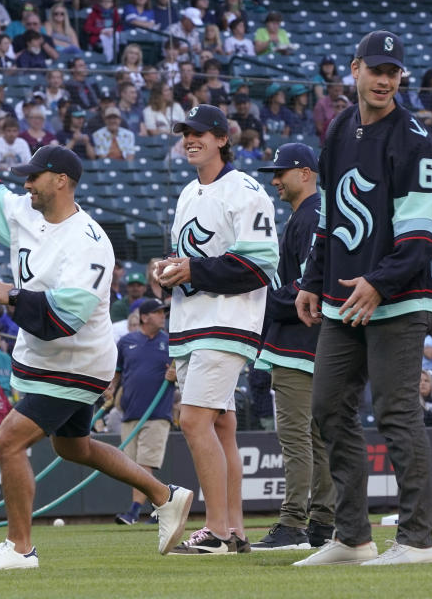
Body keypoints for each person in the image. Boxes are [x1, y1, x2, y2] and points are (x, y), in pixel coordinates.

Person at [0, 117, 191, 568]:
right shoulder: (26, 211)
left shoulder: (88, 241)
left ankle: (21, 548)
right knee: (71, 446)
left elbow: (67, 317)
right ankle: (166, 495)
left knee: (9, 441)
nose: (26, 185)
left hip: (76, 360)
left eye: (34, 177)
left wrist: (13, 295)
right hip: (44, 359)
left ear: (61, 181)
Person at [293, 31, 432, 567]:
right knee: (327, 406)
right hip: (342, 298)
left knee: (397, 412)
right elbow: (329, 220)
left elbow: (425, 234)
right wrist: (313, 280)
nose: (384, 79)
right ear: (354, 70)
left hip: (398, 301)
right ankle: (353, 537)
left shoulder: (415, 137)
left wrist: (380, 282)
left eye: (394, 71)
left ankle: (416, 542)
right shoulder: (338, 128)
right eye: (376, 69)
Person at [155, 104, 278, 555]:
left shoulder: (245, 190)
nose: (191, 139)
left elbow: (261, 264)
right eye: (185, 133)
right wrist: (168, 269)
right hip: (192, 322)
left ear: (223, 138)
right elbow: (187, 257)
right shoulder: (188, 192)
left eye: (201, 133)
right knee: (222, 425)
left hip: (228, 320)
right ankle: (237, 530)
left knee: (194, 419)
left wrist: (191, 270)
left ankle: (218, 530)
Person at [251, 144, 335, 550]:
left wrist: (255, 302)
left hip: (297, 343)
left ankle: (292, 523)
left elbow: (307, 287)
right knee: (316, 437)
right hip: (316, 344)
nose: (275, 180)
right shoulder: (312, 213)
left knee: (296, 437)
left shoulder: (310, 215)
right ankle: (322, 521)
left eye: (281, 172)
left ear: (305, 173)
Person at [110, 299, 175, 525]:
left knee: (143, 464)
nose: (162, 316)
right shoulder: (126, 342)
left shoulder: (170, 342)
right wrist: (110, 390)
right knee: (132, 467)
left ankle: (134, 511)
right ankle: (164, 506)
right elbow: (117, 374)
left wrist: (175, 374)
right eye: (157, 313)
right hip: (130, 413)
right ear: (145, 317)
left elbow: (183, 370)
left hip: (157, 413)